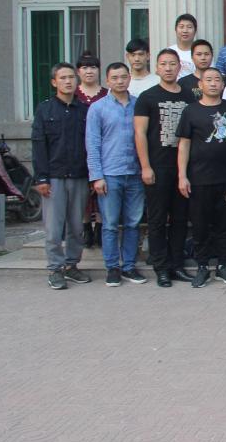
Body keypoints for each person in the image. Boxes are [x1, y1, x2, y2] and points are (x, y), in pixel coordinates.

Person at [134, 49, 196, 287]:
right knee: (158, 219)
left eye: (172, 64)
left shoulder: (190, 96)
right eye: (163, 64)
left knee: (180, 219)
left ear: (180, 67)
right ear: (157, 68)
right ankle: (161, 267)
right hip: (157, 166)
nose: (168, 68)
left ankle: (177, 264)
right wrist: (145, 166)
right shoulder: (147, 97)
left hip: (183, 168)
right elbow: (140, 133)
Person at [176, 67, 226, 288]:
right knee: (200, 224)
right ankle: (202, 266)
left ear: (223, 84)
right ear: (200, 85)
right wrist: (182, 176)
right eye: (209, 80)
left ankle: (223, 265)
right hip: (198, 178)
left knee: (224, 224)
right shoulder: (191, 111)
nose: (213, 83)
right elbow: (184, 145)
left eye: (217, 80)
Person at [32, 62, 91, 290]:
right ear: (54, 82)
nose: (68, 81)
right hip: (54, 177)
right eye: (63, 78)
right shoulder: (45, 110)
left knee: (76, 226)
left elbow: (90, 145)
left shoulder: (84, 110)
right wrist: (41, 178)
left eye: (71, 77)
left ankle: (72, 265)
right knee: (54, 228)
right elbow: (39, 145)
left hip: (79, 176)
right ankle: (55, 269)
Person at [86, 62, 146, 286]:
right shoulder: (98, 108)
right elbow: (92, 144)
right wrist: (97, 176)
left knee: (133, 222)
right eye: (115, 78)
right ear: (107, 81)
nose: (120, 81)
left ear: (129, 78)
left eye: (123, 77)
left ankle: (129, 266)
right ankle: (112, 267)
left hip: (135, 172)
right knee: (110, 223)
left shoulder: (139, 105)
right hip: (110, 173)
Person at [75, 52, 107, 248]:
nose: (89, 71)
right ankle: (86, 226)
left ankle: (100, 227)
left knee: (102, 189)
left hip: (103, 150)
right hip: (78, 150)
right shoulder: (73, 95)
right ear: (78, 71)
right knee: (83, 192)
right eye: (85, 67)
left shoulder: (107, 94)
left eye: (93, 67)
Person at [169, 13, 198, 78]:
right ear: (176, 30)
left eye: (189, 27)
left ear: (195, 30)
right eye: (181, 27)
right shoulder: (169, 52)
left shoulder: (201, 53)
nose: (185, 31)